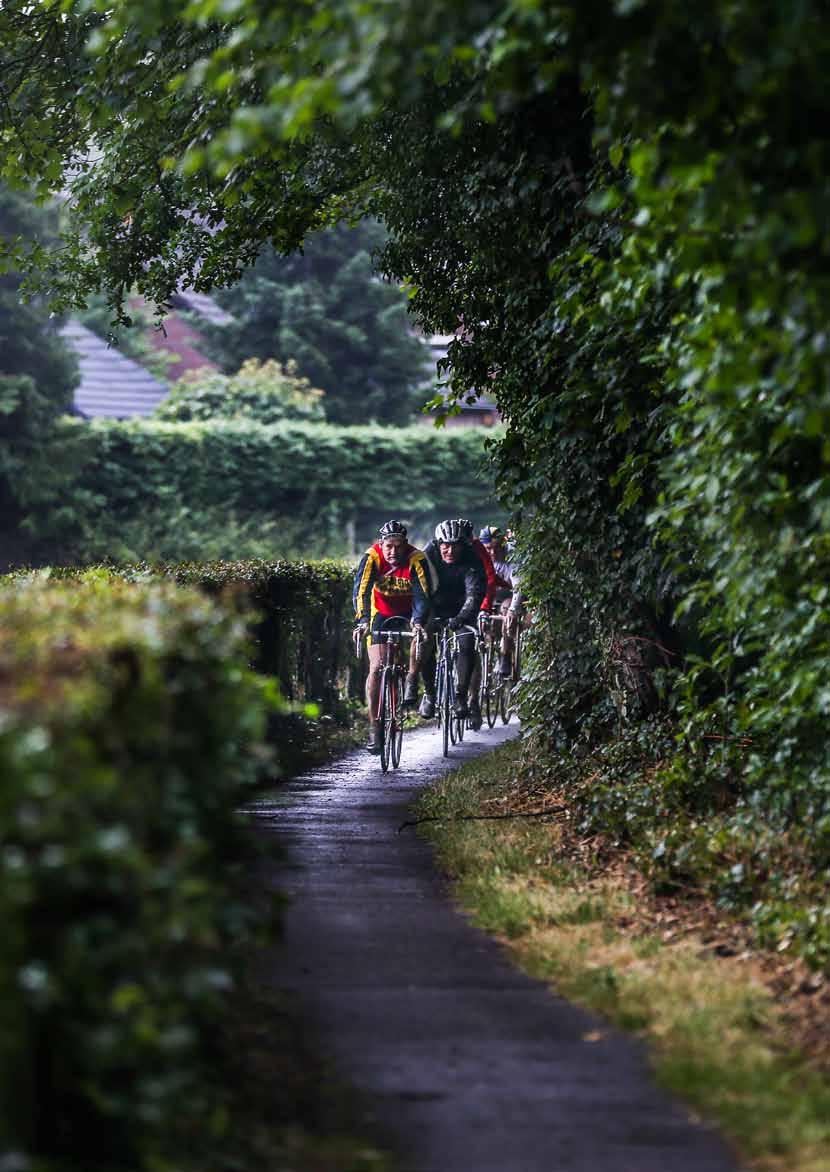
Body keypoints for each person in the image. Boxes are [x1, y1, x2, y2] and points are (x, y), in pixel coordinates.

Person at [353, 519, 432, 753]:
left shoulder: (416, 558)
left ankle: (410, 680)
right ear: (381, 543)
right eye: (388, 546)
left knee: (421, 635)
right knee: (377, 668)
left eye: (398, 546)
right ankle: (375, 729)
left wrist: (417, 622)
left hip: (409, 613)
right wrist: (363, 621)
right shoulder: (372, 557)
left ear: (405, 544)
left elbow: (422, 594)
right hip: (382, 613)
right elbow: (361, 590)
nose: (393, 551)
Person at [420, 518, 486, 721]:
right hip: (434, 606)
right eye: (445, 546)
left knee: (467, 642)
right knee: (424, 643)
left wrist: (461, 618)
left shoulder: (472, 559)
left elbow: (474, 594)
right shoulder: (428, 554)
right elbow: (419, 589)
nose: (450, 551)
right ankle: (430, 694)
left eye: (455, 545)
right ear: (438, 544)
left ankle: (460, 697)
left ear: (462, 545)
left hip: (462, 608)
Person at [480, 524, 524, 678]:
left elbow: (519, 586)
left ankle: (505, 653)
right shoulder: (480, 556)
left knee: (506, 610)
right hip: (490, 593)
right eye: (488, 548)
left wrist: (512, 611)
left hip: (510, 592)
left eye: (496, 548)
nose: (492, 553)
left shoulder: (511, 556)